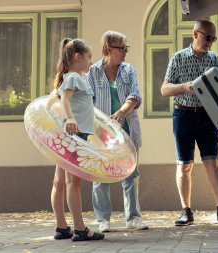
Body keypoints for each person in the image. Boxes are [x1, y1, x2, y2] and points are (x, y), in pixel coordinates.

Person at [161, 20, 218, 226]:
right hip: (183, 115)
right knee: (184, 165)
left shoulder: (214, 59)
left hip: (208, 116)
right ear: (195, 34)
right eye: (208, 37)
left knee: (212, 163)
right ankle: (186, 212)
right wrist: (184, 87)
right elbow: (164, 89)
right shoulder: (178, 58)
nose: (211, 42)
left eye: (214, 38)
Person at [87, 30, 147, 232]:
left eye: (126, 48)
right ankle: (103, 219)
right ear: (107, 49)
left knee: (131, 173)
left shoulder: (128, 70)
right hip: (101, 132)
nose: (125, 52)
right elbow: (87, 101)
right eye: (121, 48)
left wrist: (121, 113)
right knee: (101, 174)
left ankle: (133, 217)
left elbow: (135, 96)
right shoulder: (93, 72)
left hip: (127, 129)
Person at [51, 38, 104, 241]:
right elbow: (65, 99)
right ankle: (80, 228)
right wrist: (71, 118)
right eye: (89, 57)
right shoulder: (74, 76)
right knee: (73, 182)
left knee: (60, 182)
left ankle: (62, 227)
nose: (91, 61)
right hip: (75, 132)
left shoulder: (71, 76)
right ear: (77, 56)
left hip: (67, 133)